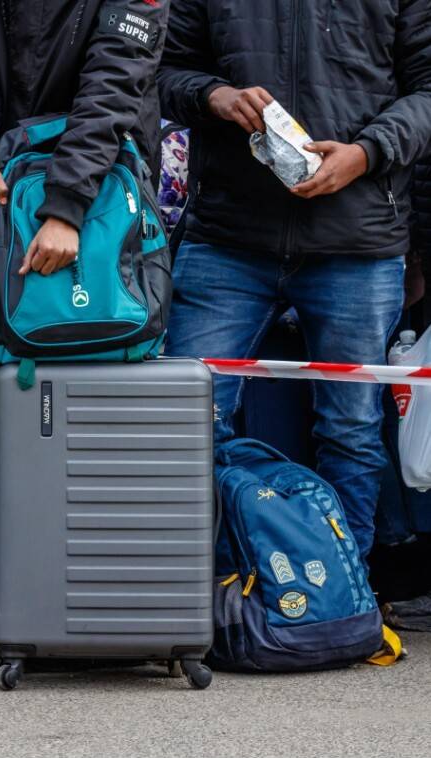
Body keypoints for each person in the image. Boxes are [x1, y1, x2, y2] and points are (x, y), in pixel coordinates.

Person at [157, 0, 431, 558]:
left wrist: (366, 153)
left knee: (351, 432)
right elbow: (162, 71)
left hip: (357, 241)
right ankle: (207, 598)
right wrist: (215, 96)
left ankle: (342, 603)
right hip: (227, 236)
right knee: (186, 423)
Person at [0, 0, 169, 278]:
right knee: (8, 310)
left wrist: (66, 207)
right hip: (7, 183)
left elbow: (112, 85)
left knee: (101, 310)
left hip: (102, 183)